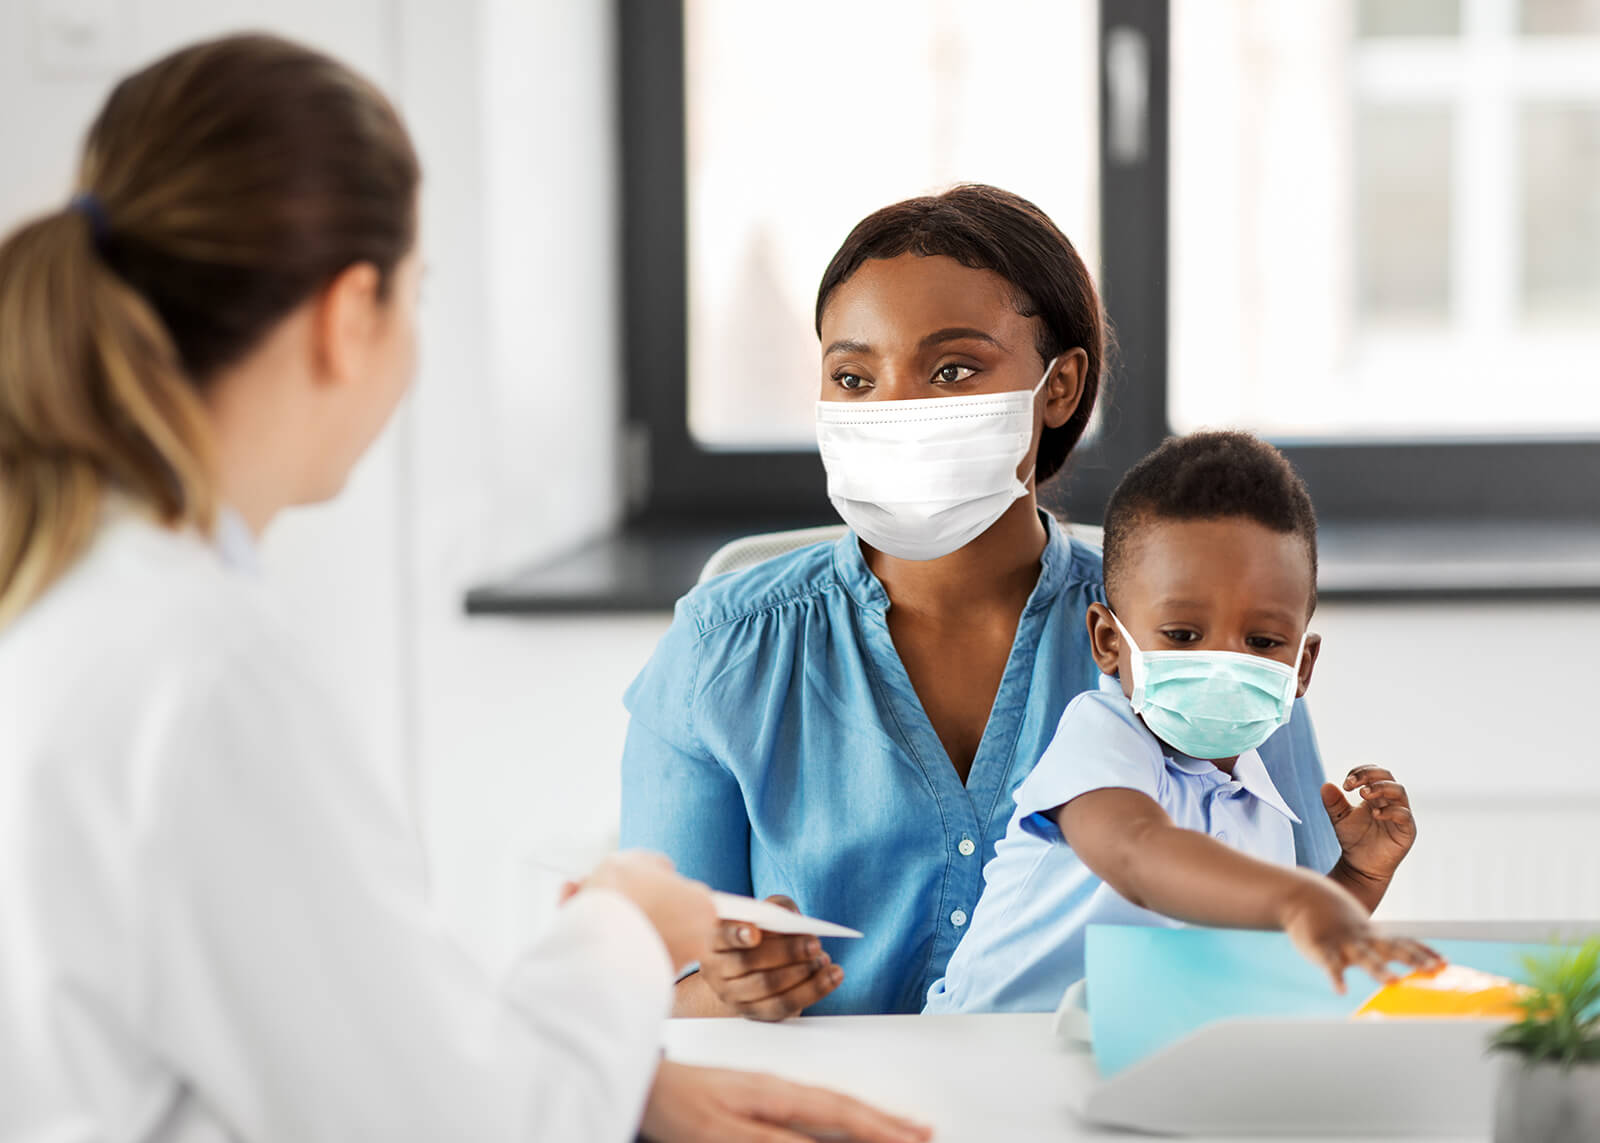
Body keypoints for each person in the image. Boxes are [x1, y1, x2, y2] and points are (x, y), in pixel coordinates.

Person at [0, 34, 928, 1143]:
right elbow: (443, 1123)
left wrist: (625, 1088)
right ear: (352, 315)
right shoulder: (203, 670)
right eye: (418, 294)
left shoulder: (77, 600)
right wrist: (628, 923)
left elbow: (319, 1043)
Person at [620, 185, 1343, 1020]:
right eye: (854, 377)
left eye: (953, 369)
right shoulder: (720, 650)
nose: (894, 411)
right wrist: (728, 987)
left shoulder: (1206, 635)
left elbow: (1304, 942)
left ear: (1060, 386)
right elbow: (646, 994)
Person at [924, 432, 1439, 1013]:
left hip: (1119, 1053)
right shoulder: (1102, 736)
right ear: (1108, 642)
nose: (1221, 664)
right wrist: (1296, 898)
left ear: (1302, 667)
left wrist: (1357, 878)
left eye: (1263, 641)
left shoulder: (1260, 805)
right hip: (983, 1052)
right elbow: (1139, 855)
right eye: (1183, 636)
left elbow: (1275, 949)